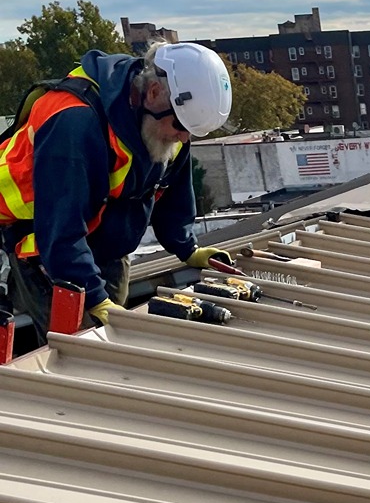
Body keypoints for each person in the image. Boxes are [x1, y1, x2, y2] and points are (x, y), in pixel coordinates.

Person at [0, 40, 233, 338]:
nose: (184, 138)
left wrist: (188, 248)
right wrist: (95, 298)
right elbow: (61, 229)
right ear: (153, 93)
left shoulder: (167, 124)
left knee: (117, 339)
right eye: (181, 126)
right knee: (81, 351)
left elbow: (171, 189)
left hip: (105, 241)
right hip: (43, 246)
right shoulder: (73, 122)